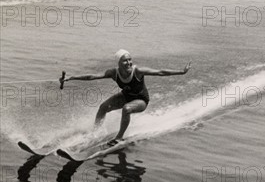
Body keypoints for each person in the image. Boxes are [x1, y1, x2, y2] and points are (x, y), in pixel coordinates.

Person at [62, 49, 191, 145]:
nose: (128, 63)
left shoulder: (138, 71)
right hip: (126, 96)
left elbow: (160, 72)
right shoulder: (113, 73)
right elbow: (92, 76)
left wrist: (181, 71)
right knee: (103, 107)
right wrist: (71, 78)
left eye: (130, 59)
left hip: (141, 100)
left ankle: (119, 137)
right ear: (118, 63)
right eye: (125, 60)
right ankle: (95, 133)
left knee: (126, 108)